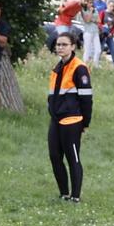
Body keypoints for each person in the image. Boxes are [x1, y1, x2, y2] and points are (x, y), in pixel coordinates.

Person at [45, 30, 93, 201]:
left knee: (73, 158)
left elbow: (86, 98)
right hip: (56, 119)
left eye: (64, 45)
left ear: (73, 47)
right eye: (58, 44)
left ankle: (76, 196)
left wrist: (85, 122)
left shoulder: (79, 68)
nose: (60, 48)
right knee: (54, 156)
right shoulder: (57, 67)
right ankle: (64, 193)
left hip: (72, 120)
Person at [79, 0, 101, 65]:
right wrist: (91, 13)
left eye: (92, 3)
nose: (91, 4)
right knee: (87, 51)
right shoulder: (83, 11)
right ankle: (84, 65)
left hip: (95, 32)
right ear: (86, 3)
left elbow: (99, 21)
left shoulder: (95, 10)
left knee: (98, 50)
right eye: (89, 2)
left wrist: (92, 20)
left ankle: (95, 65)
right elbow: (87, 20)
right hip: (88, 32)